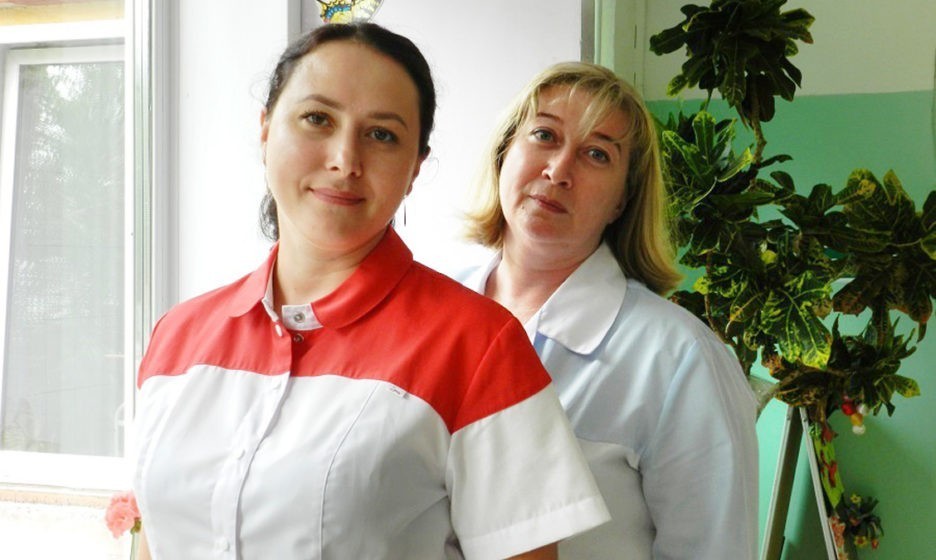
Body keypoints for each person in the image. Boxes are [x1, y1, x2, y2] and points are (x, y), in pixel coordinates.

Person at [131, 24, 610, 560]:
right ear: (265, 130)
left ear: (415, 168)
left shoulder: (479, 346)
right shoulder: (177, 336)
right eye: (317, 119)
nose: (345, 159)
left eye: (381, 135)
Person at [458, 61, 759, 559]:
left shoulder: (681, 358)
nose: (558, 171)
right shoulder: (433, 307)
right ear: (504, 151)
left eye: (597, 154)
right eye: (544, 135)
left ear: (622, 200)